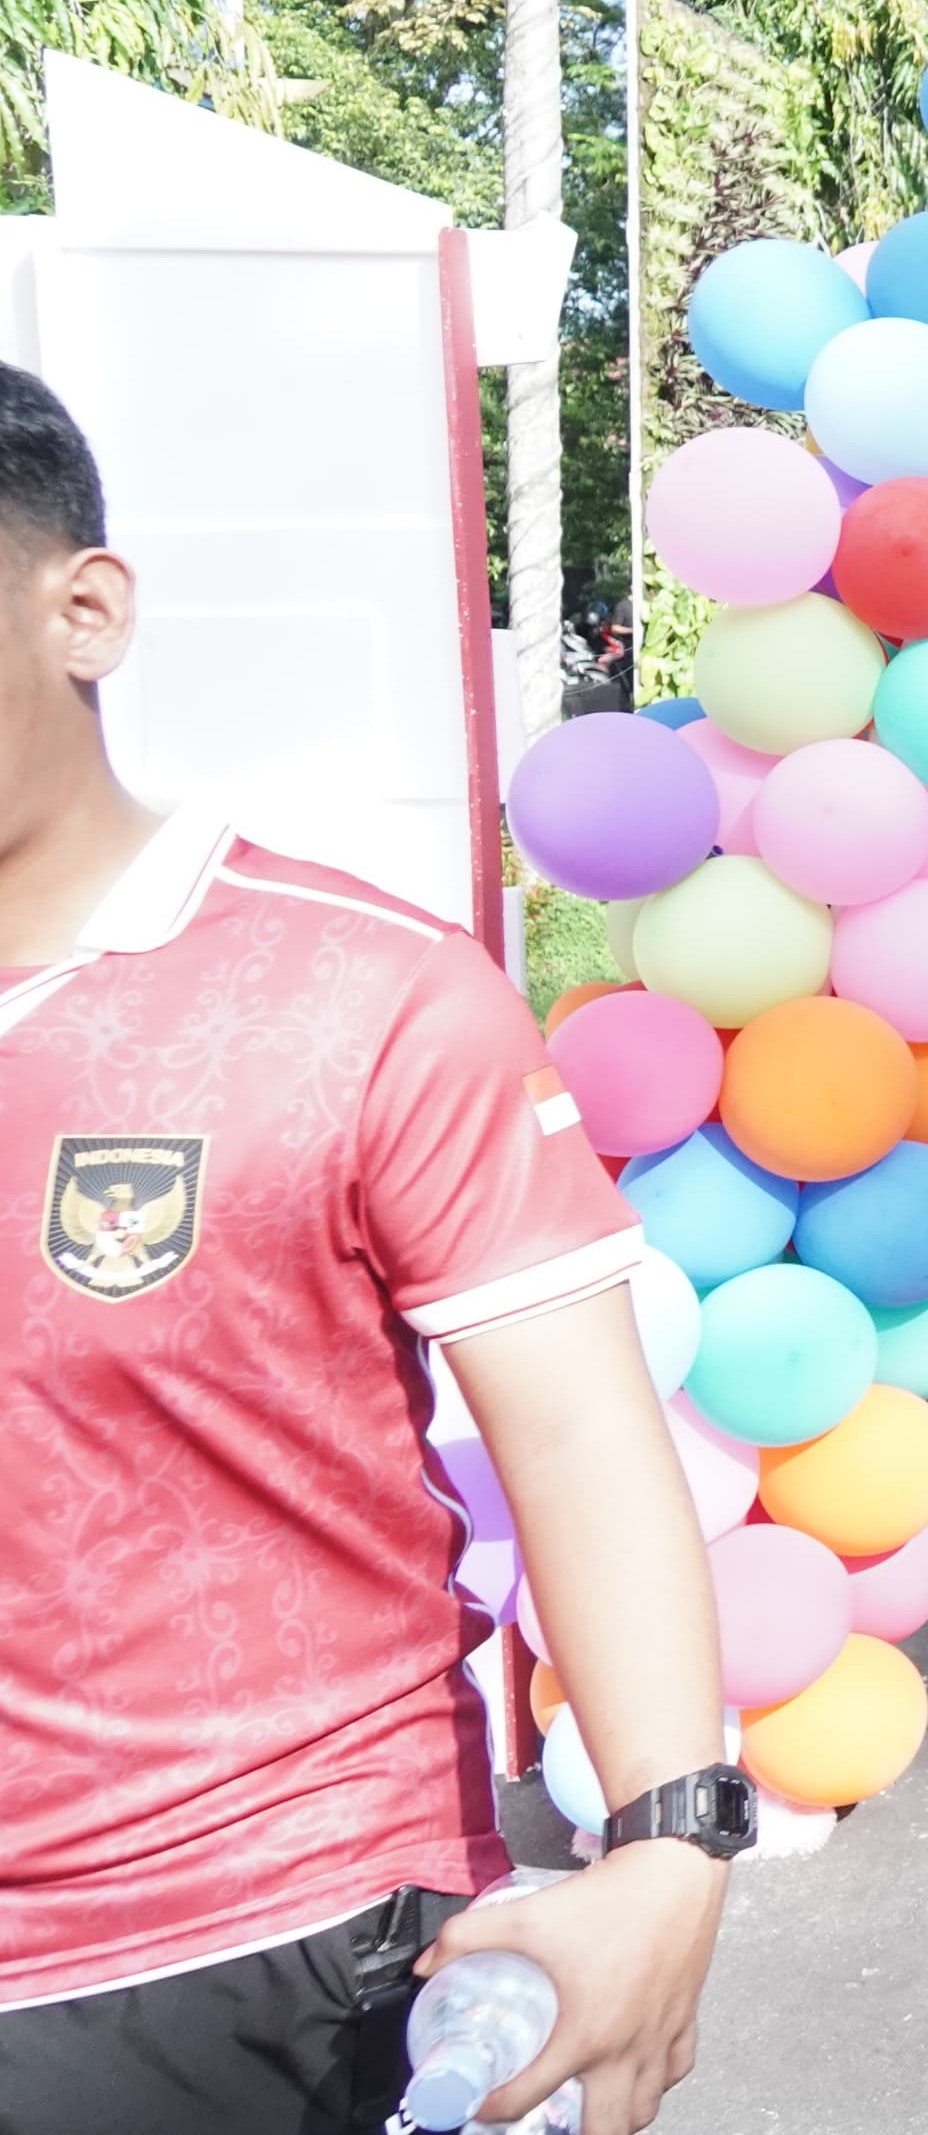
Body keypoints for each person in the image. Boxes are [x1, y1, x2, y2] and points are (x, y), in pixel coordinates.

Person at [0, 367, 735, 2132]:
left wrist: (669, 1837)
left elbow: (574, 1431)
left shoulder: (360, 998)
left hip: (243, 1936)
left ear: (84, 611)